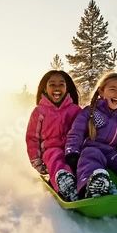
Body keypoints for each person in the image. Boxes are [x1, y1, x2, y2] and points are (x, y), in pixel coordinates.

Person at [25, 70, 81, 202]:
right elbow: (32, 138)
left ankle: (88, 183)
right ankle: (64, 184)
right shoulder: (39, 111)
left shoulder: (75, 110)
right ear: (45, 88)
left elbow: (83, 132)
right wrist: (37, 161)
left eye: (61, 84)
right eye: (52, 84)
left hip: (72, 150)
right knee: (55, 155)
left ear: (66, 88)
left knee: (84, 158)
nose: (57, 88)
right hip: (50, 150)